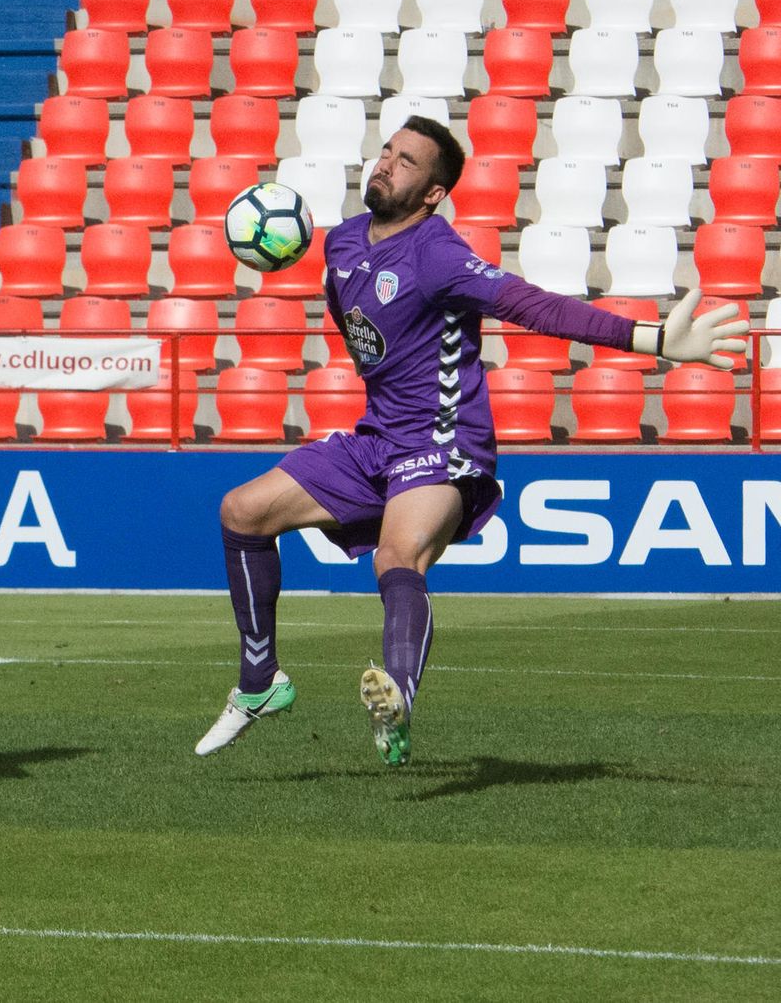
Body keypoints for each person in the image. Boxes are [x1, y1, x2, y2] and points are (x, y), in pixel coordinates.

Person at [195, 116, 749, 767]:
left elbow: (535, 305)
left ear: (432, 192)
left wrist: (651, 340)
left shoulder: (437, 254)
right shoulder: (342, 243)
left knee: (396, 557)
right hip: (377, 438)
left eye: (405, 162)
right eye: (386, 153)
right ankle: (261, 684)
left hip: (442, 438)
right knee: (242, 512)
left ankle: (397, 691)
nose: (384, 165)